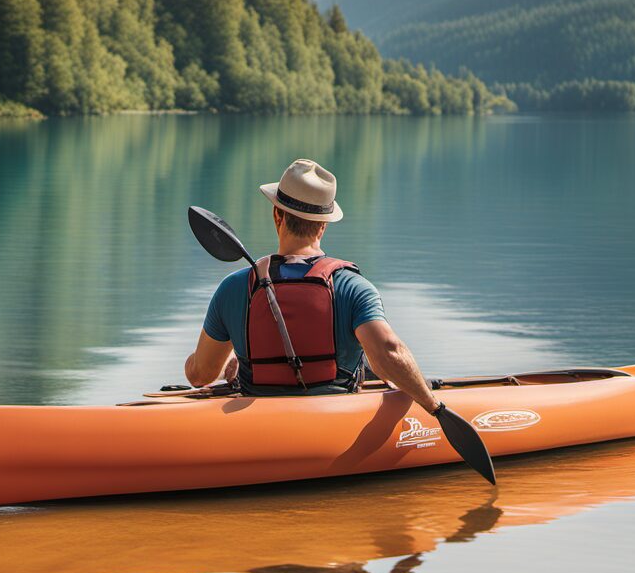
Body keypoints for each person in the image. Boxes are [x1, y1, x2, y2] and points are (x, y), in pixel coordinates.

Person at [185, 158, 443, 417]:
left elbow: (200, 375)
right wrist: (433, 406)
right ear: (323, 225)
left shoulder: (234, 287)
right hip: (335, 420)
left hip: (257, 424)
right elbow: (389, 351)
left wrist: (233, 361)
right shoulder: (352, 287)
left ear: (277, 214)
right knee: (365, 361)